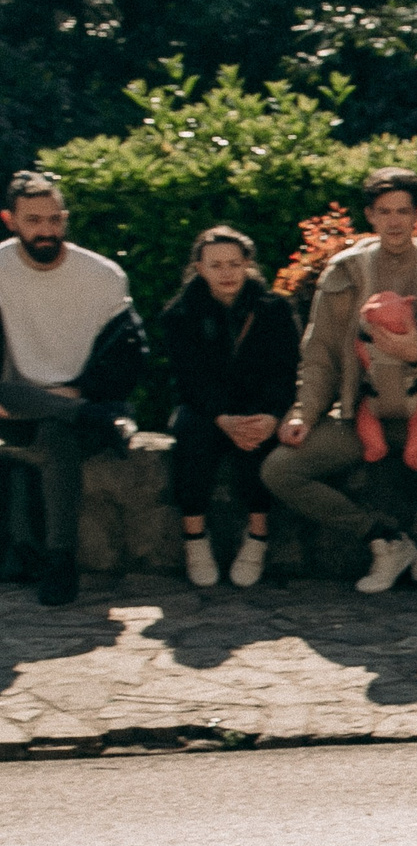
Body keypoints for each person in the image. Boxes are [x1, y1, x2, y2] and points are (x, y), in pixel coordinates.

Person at [263, 166, 417, 596]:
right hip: (361, 412)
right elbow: (320, 355)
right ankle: (384, 543)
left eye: (403, 211)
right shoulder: (342, 273)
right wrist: (303, 413)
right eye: (384, 211)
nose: (395, 221)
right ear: (370, 216)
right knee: (280, 469)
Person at [0, 169, 149, 606]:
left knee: (56, 434)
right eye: (34, 220)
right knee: (21, 403)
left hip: (86, 399)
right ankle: (92, 418)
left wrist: (83, 394)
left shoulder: (102, 275)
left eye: (54, 219)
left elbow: (128, 354)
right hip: (17, 402)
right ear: (10, 220)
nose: (46, 230)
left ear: (64, 218)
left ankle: (60, 560)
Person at [159, 225, 299, 588]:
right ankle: (194, 538)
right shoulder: (179, 314)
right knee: (190, 436)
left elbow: (285, 371)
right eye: (216, 265)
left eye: (234, 264)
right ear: (200, 268)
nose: (226, 273)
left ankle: (257, 536)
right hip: (206, 407)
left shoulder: (275, 310)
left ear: (247, 264)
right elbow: (187, 378)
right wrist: (222, 418)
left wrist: (271, 416)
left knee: (260, 441)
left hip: (258, 405)